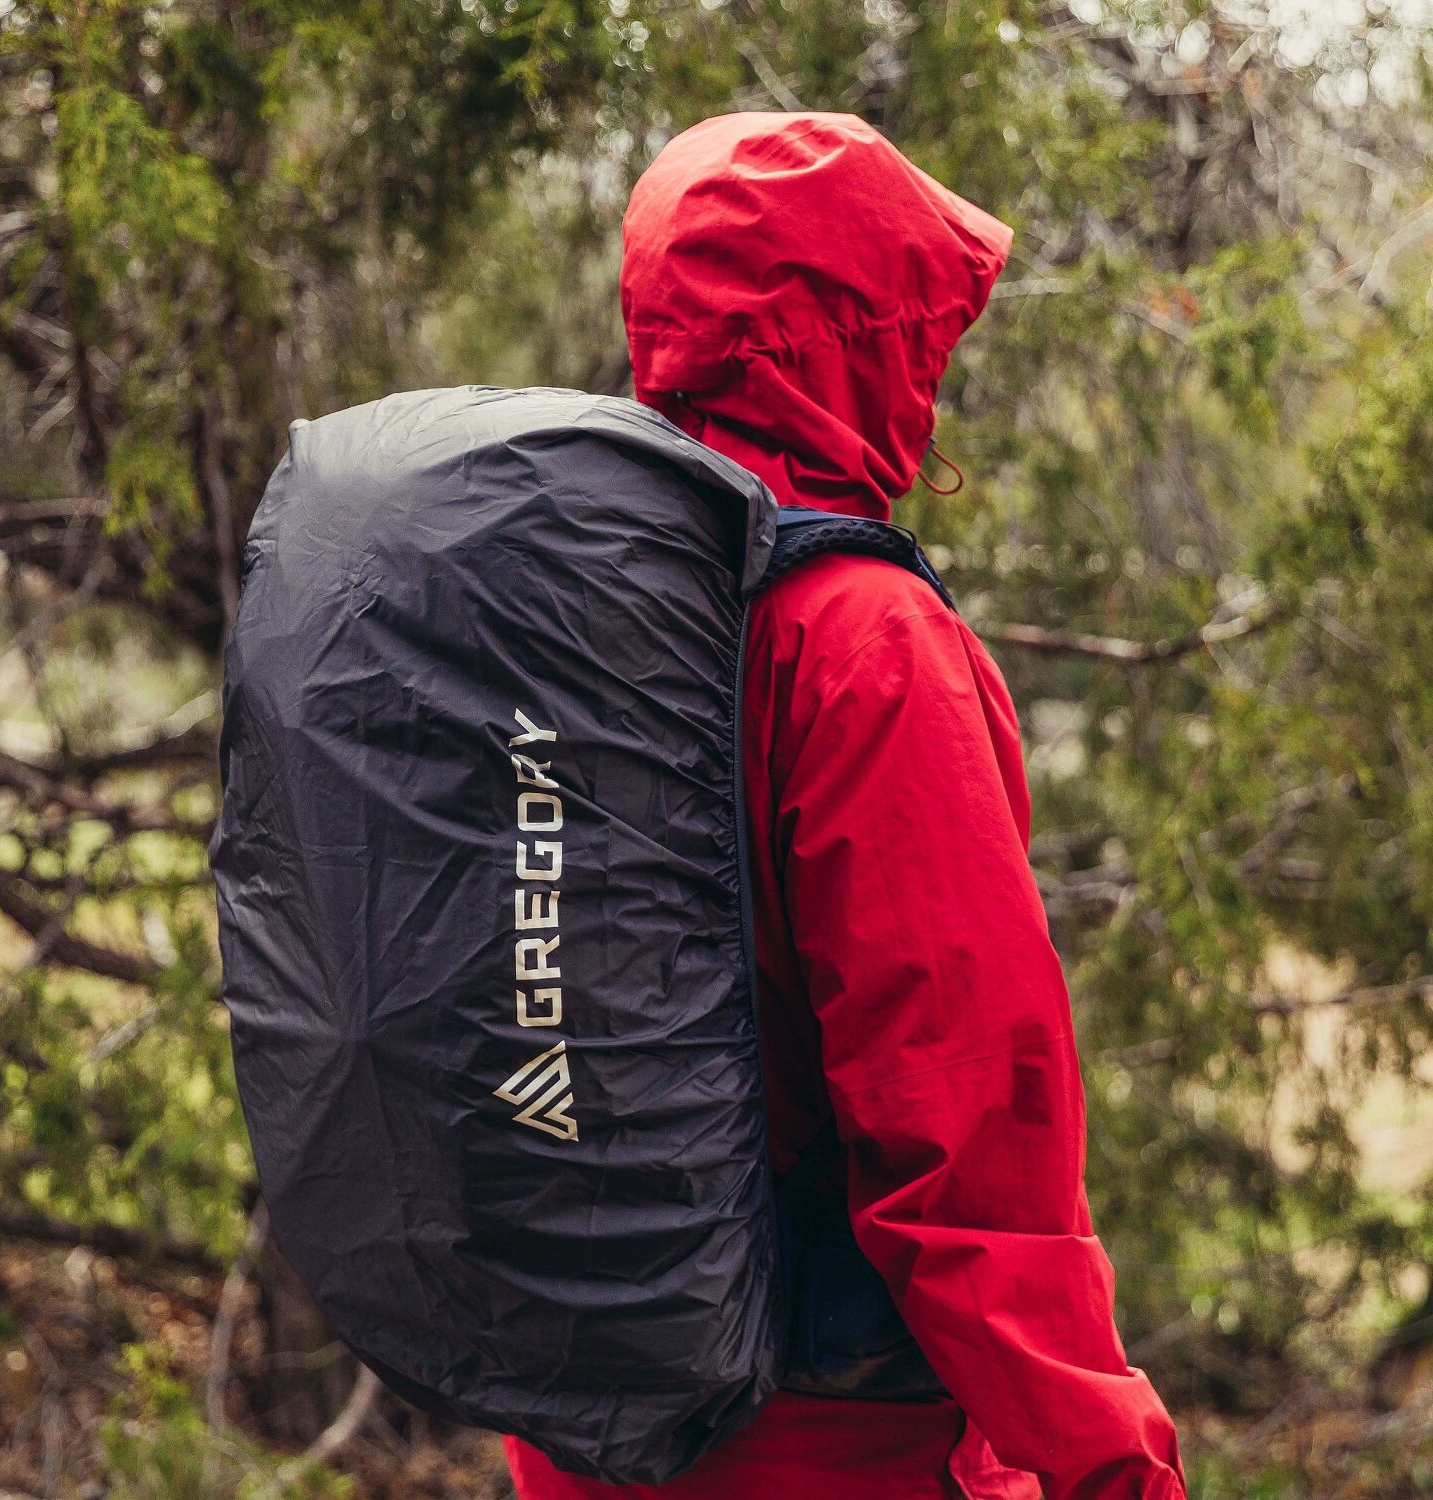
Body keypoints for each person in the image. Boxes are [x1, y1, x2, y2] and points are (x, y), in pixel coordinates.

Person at [505, 111, 1188, 1500]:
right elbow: (966, 1134)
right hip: (827, 1442)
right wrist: (1111, 1471)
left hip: (583, 1416)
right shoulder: (861, 641)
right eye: (921, 334)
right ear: (858, 345)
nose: (936, 376)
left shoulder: (551, 596)